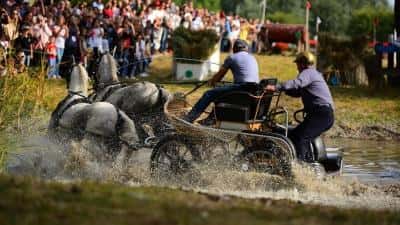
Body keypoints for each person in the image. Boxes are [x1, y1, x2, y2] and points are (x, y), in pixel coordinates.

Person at [265, 51, 334, 162]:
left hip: (321, 114)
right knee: (295, 135)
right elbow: (298, 92)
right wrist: (283, 90)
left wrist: (276, 87)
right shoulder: (313, 74)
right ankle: (307, 162)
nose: (297, 66)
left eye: (297, 63)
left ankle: (303, 168)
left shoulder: (308, 73)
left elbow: (296, 83)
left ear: (302, 63)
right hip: (322, 114)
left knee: (300, 138)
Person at [185, 39, 259, 123]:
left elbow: (218, 77)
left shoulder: (232, 57)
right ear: (246, 48)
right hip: (254, 90)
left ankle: (190, 118)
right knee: (221, 91)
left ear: (234, 49)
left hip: (242, 89)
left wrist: (212, 81)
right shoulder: (253, 58)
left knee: (209, 94)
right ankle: (211, 118)